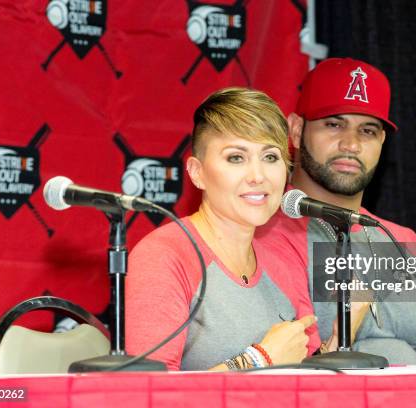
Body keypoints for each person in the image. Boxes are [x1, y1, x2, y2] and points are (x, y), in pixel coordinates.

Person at [257, 58, 416, 365]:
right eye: (333, 124)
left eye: (368, 131)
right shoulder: (265, 231)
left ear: (382, 141)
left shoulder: (401, 239)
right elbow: (284, 376)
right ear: (295, 130)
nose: (351, 144)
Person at [125, 87, 322, 371]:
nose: (258, 176)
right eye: (236, 158)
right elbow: (148, 394)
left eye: (270, 157)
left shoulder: (282, 260)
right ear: (197, 172)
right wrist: (258, 360)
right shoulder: (164, 255)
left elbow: (306, 373)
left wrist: (344, 333)